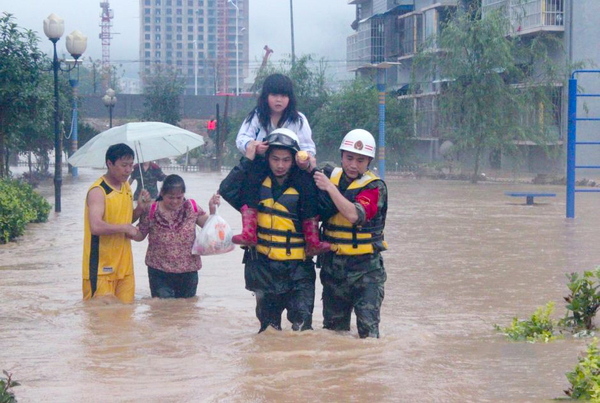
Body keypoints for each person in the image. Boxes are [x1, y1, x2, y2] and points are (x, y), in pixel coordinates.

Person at [219, 129, 321, 333]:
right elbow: (227, 189)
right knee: (269, 331)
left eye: (286, 159)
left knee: (302, 331)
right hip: (263, 268)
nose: (280, 165)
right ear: (267, 158)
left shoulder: (306, 184)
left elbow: (329, 203)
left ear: (294, 160)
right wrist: (248, 157)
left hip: (298, 271)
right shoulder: (254, 185)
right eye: (275, 159)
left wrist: (311, 168)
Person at [230, 73, 322, 250]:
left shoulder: (299, 119)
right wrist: (254, 146)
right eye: (274, 95)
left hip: (292, 168)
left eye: (283, 95)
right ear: (266, 97)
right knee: (249, 184)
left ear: (290, 98)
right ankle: (249, 231)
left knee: (308, 188)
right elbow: (241, 139)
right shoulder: (257, 116)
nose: (279, 100)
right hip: (262, 165)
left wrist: (304, 159)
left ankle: (312, 238)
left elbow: (308, 147)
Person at [313, 129, 388, 338]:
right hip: (333, 269)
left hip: (366, 271)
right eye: (349, 158)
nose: (353, 165)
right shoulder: (328, 174)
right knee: (333, 334)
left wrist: (329, 188)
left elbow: (354, 215)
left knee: (368, 335)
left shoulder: (374, 187)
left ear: (369, 161)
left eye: (361, 160)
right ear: (341, 156)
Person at [82, 143, 150, 304]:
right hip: (100, 268)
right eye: (123, 165)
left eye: (131, 165)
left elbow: (125, 219)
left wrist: (139, 209)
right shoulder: (98, 191)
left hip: (124, 266)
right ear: (109, 163)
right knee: (101, 319)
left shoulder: (126, 186)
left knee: (125, 317)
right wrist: (125, 228)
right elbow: (96, 226)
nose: (128, 170)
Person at [133, 175, 220, 298]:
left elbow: (210, 228)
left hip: (188, 271)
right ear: (162, 193)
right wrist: (125, 229)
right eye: (171, 197)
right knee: (162, 309)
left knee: (186, 310)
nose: (175, 201)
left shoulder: (191, 207)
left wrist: (213, 210)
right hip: (159, 271)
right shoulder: (151, 209)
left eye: (179, 197)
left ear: (184, 194)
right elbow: (140, 235)